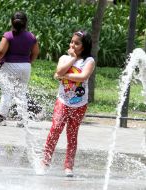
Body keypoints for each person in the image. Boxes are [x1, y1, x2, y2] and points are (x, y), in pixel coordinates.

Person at [41, 30, 95, 177]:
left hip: (79, 104)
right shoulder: (65, 57)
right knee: (55, 129)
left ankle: (68, 166)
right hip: (62, 101)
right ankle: (45, 162)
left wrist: (63, 76)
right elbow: (59, 70)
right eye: (72, 42)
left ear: (84, 46)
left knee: (72, 134)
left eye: (77, 43)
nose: (73, 45)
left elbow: (83, 77)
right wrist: (72, 59)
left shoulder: (89, 61)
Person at [0, 11, 39, 127]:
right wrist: (28, 61)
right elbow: (36, 52)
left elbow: (1, 51)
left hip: (9, 65)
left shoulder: (8, 35)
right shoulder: (31, 36)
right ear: (26, 23)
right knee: (21, 92)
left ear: (12, 22)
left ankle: (1, 118)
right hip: (25, 67)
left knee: (6, 92)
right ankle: (23, 119)